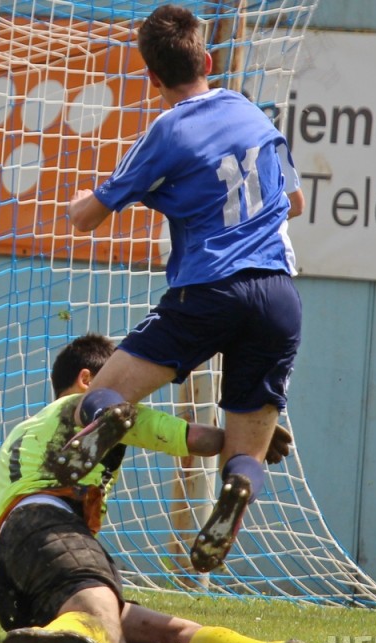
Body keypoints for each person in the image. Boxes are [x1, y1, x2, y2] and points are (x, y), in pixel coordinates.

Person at [66, 3, 306, 573]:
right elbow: (293, 202)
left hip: (209, 291)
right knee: (247, 453)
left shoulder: (169, 129)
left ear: (152, 76)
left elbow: (89, 216)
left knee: (98, 398)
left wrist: (81, 202)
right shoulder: (253, 114)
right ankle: (237, 491)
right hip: (278, 295)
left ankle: (112, 420)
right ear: (207, 57)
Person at [0, 333, 362, 643]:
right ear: (89, 381)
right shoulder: (102, 408)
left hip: (12, 566)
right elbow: (195, 438)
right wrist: (248, 441)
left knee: (169, 633)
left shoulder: (25, 430)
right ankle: (88, 623)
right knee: (103, 624)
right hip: (48, 527)